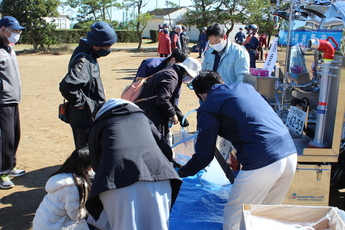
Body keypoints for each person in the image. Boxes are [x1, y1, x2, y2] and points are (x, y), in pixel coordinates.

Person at [177, 71, 298, 230]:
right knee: (267, 217)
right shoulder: (245, 88)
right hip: (290, 153)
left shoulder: (209, 105)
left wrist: (181, 173)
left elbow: (204, 155)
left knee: (235, 217)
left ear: (201, 95)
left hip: (262, 160)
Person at [86, 98, 182, 230]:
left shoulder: (99, 125)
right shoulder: (143, 118)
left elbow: (96, 165)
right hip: (159, 179)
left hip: (116, 185)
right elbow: (166, 151)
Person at [59, 21, 117, 149]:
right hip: (84, 117)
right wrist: (79, 103)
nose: (110, 49)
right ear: (96, 46)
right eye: (108, 47)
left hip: (89, 113)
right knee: (85, 150)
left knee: (92, 147)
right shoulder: (84, 60)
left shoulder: (89, 53)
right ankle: (83, 169)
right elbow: (67, 85)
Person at [136, 57, 201, 142]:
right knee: (158, 142)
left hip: (150, 110)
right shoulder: (171, 77)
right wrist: (172, 114)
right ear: (187, 72)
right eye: (190, 76)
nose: (189, 79)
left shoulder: (170, 71)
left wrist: (179, 114)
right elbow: (163, 99)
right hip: (152, 113)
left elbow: (166, 97)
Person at [33, 147, 92, 230]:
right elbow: (75, 215)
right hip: (56, 226)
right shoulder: (74, 186)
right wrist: (88, 212)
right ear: (87, 166)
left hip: (41, 223)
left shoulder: (60, 177)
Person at [0, 16, 26, 189]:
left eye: (18, 31)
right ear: (3, 29)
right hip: (2, 101)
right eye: (13, 30)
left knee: (15, 134)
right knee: (6, 138)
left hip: (13, 99)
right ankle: (2, 173)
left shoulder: (9, 48)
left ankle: (11, 166)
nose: (17, 34)